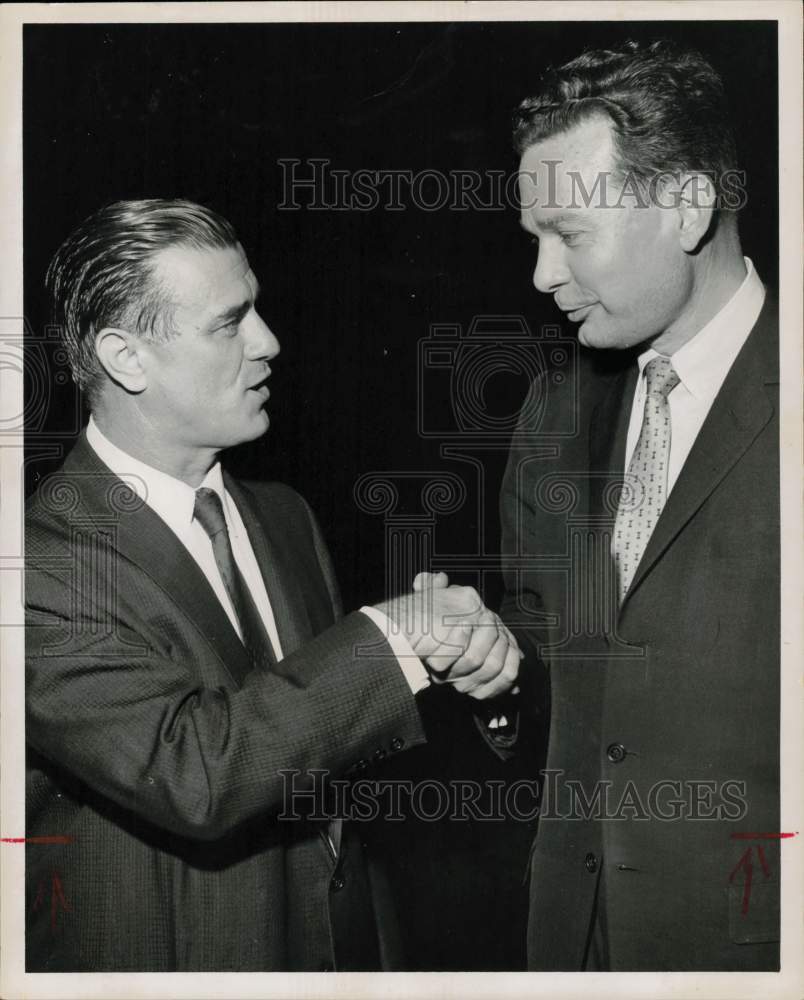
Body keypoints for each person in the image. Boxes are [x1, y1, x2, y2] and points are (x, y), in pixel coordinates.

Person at [25, 199, 521, 972]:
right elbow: (196, 772)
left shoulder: (282, 516)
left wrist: (465, 669)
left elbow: (328, 736)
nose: (268, 342)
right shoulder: (41, 562)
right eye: (230, 323)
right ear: (125, 358)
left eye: (255, 307)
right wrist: (393, 638)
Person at [500, 40, 779, 971]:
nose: (542, 274)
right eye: (535, 237)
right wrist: (495, 670)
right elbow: (554, 667)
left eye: (570, 234)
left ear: (688, 205)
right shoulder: (553, 411)